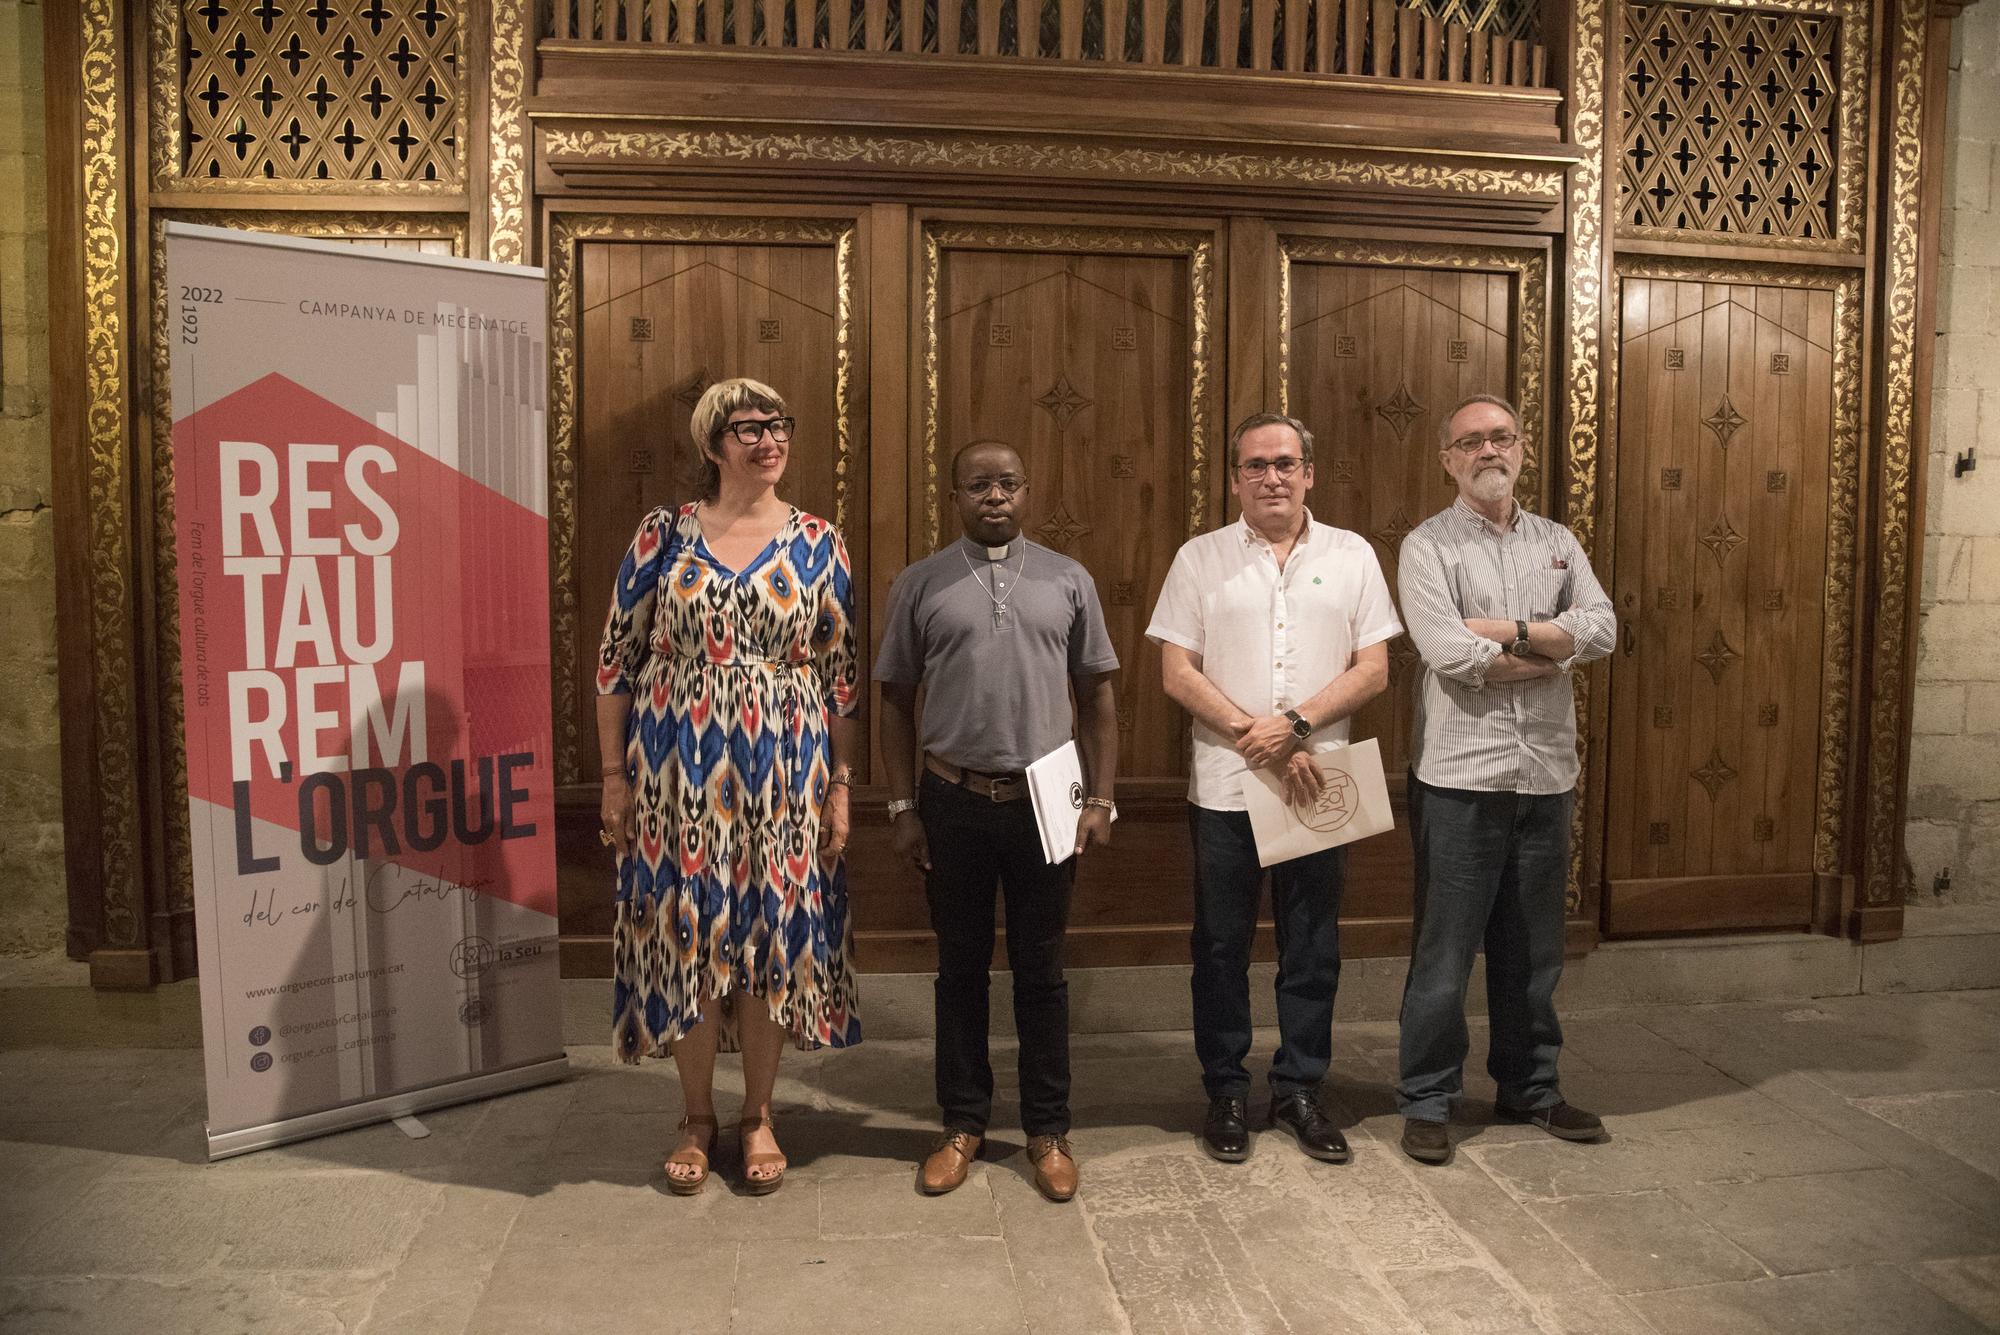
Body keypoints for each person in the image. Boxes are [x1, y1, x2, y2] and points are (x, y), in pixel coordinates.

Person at [595, 377, 863, 1196]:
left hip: (787, 772)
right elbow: (615, 661)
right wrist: (612, 777)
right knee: (686, 936)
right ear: (713, 445)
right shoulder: (662, 536)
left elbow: (841, 675)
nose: (769, 439)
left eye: (779, 424)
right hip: (676, 773)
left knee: (769, 940)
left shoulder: (820, 540)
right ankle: (695, 1115)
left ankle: (757, 1114)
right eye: (748, 428)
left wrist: (842, 785)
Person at [1146, 412, 1401, 1166]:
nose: (1272, 477)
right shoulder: (1201, 558)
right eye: (1255, 465)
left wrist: (1294, 723)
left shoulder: (1352, 555)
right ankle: (1225, 1089)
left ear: (1310, 472)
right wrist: (1255, 733)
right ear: (1234, 479)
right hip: (1226, 784)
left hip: (1320, 778)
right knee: (1221, 946)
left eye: (1286, 462)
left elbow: (1375, 667)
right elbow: (1176, 670)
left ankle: (1300, 1089)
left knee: (1312, 945)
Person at [876, 439, 1120, 1203]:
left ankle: (1048, 1128)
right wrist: (902, 806)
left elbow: (1099, 701)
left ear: (1027, 489)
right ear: (954, 495)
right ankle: (963, 1123)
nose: (995, 496)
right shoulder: (921, 584)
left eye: (1008, 483)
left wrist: (1102, 798)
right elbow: (893, 701)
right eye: (978, 484)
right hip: (950, 799)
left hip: (1048, 797)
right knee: (960, 970)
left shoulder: (1068, 579)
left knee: (1042, 972)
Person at [1394, 393, 1616, 1166]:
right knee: (1445, 950)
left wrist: (1506, 633)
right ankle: (1428, 1094)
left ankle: (1530, 1086)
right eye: (1471, 442)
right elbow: (1448, 653)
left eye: (1502, 438)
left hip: (1545, 773)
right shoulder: (1428, 546)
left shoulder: (1558, 540)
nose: (1489, 451)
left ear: (1522, 448)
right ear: (1448, 458)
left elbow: (1604, 628)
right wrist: (1551, 647)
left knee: (1533, 949)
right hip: (1460, 776)